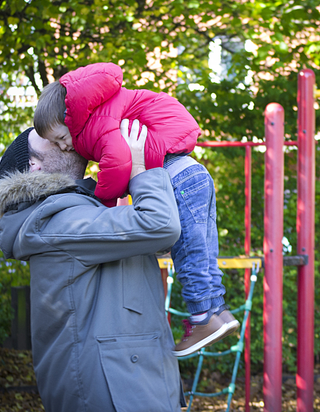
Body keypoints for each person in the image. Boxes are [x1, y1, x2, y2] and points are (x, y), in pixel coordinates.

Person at [33, 62, 239, 357]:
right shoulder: (107, 107)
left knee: (188, 250)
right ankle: (218, 310)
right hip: (193, 172)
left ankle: (202, 317)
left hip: (175, 176)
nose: (65, 148)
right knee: (203, 245)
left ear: (71, 118)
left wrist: (101, 202)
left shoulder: (93, 125)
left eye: (62, 139)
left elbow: (117, 163)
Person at [0, 121, 186, 412]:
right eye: (46, 138)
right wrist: (141, 167)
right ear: (33, 166)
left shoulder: (82, 212)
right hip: (115, 392)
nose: (62, 136)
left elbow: (158, 239)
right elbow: (159, 224)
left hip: (133, 383)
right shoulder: (56, 222)